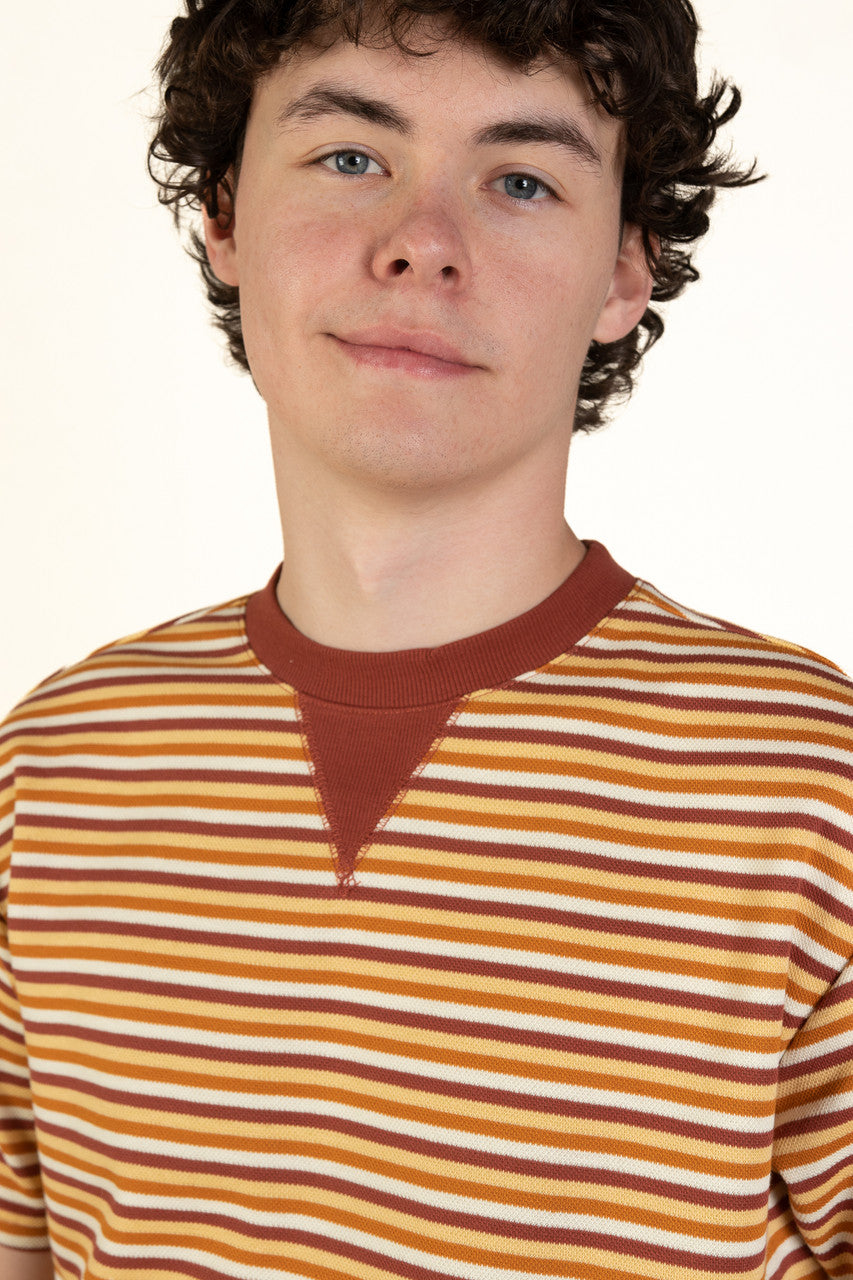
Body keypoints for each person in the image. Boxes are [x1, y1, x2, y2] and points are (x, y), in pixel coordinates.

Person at [1, 0, 851, 1276]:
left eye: (520, 179)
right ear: (225, 213)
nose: (422, 244)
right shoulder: (55, 766)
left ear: (624, 270)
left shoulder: (808, 791)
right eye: (351, 155)